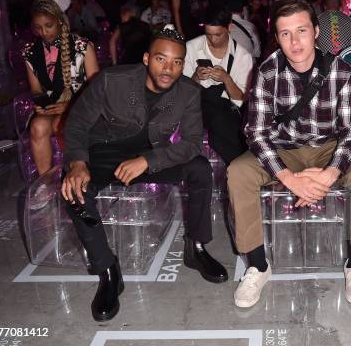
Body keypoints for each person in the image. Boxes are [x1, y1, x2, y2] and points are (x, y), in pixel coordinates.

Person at [61, 26, 228, 322]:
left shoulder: (188, 93)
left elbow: (190, 144)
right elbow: (76, 124)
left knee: (200, 168)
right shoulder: (112, 80)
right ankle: (108, 270)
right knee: (75, 191)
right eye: (162, 59)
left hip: (152, 156)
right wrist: (76, 162)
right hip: (105, 155)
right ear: (147, 58)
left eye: (177, 62)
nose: (169, 69)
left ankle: (196, 247)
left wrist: (148, 160)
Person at [228, 0, 351, 308]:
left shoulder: (341, 70)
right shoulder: (266, 72)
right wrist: (289, 179)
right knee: (238, 171)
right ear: (277, 37)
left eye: (301, 30)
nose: (294, 41)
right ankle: (258, 264)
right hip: (284, 149)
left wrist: (329, 174)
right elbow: (256, 133)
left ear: (315, 32)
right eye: (285, 33)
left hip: (329, 148)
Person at [22, 0, 99, 176]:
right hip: (54, 108)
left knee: (60, 124)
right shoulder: (31, 52)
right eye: (38, 27)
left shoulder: (82, 47)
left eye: (48, 25)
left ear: (59, 20)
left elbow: (96, 89)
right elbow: (36, 90)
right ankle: (46, 182)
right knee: (38, 126)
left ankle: (77, 177)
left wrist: (70, 106)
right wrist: (41, 105)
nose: (44, 32)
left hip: (83, 108)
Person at [183, 6, 252, 165]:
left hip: (226, 110)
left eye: (218, 35)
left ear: (229, 28)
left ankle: (239, 166)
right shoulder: (191, 48)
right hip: (196, 106)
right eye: (208, 34)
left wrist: (227, 79)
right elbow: (182, 93)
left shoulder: (242, 56)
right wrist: (195, 77)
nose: (213, 40)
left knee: (222, 121)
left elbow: (239, 100)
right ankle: (240, 165)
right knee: (218, 120)